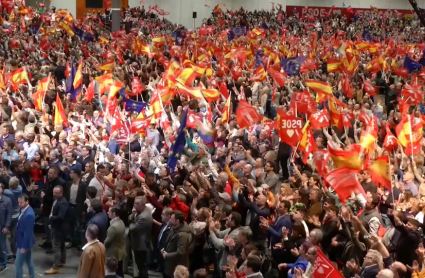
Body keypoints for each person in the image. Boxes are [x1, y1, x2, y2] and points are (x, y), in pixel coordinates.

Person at [45, 186, 69, 275]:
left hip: (59, 228)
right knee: (61, 245)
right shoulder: (57, 200)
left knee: (56, 247)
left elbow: (61, 217)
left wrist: (51, 218)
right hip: (58, 227)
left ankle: (55, 267)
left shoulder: (63, 203)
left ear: (61, 193)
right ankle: (62, 261)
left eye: (56, 193)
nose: (54, 194)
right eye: (54, 192)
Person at [129, 196, 153, 278]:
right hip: (138, 242)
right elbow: (130, 218)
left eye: (135, 204)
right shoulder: (141, 210)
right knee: (140, 265)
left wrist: (131, 223)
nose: (133, 206)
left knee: (142, 265)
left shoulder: (144, 216)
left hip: (141, 244)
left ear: (140, 204)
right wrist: (133, 214)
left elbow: (132, 228)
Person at [162, 210, 191, 278]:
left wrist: (167, 255)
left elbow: (181, 252)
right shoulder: (174, 228)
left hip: (176, 267)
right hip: (169, 264)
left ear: (177, 221)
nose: (170, 220)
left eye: (172, 218)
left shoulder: (183, 235)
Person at [15, 194, 36, 278]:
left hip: (24, 243)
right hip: (24, 241)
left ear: (27, 201)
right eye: (18, 203)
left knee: (18, 264)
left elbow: (27, 233)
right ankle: (32, 276)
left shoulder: (29, 214)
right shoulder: (24, 210)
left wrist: (23, 247)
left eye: (21, 203)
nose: (19, 204)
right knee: (28, 260)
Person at [105, 206, 126, 278]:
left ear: (113, 213)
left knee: (115, 273)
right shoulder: (121, 222)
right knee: (120, 271)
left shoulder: (113, 227)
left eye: (109, 211)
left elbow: (107, 241)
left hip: (114, 252)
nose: (107, 213)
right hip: (120, 251)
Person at [0, 183, 12, 272]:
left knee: (2, 245)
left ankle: (3, 264)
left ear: (2, 189)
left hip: (2, 226)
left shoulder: (7, 200)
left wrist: (7, 226)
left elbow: (9, 215)